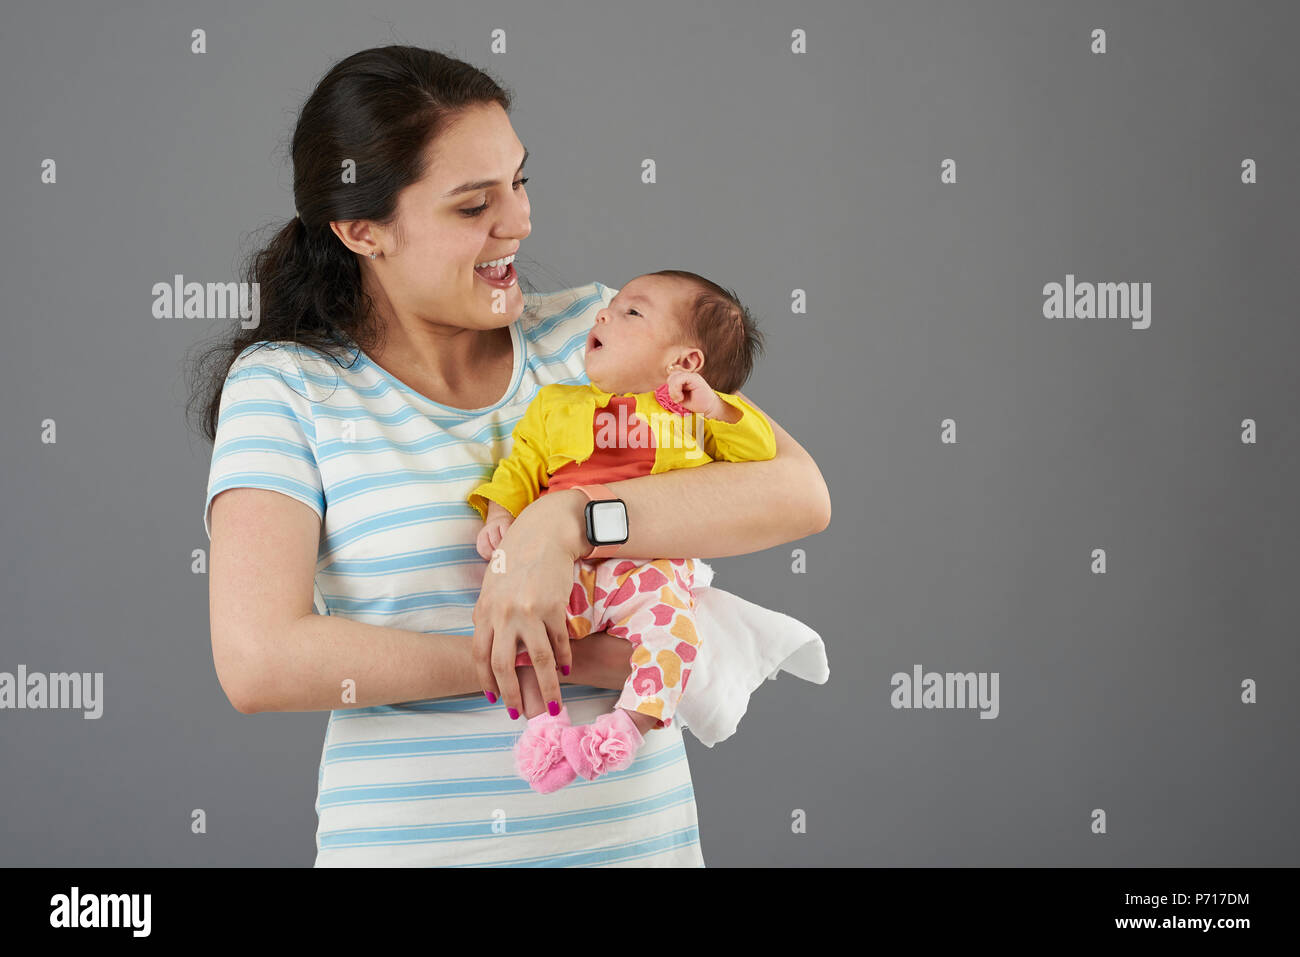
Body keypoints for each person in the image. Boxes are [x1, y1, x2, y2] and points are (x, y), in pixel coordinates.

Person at [193, 45, 831, 867]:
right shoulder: (289, 388)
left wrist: (565, 522)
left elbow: (797, 492)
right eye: (473, 205)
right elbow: (259, 659)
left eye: (521, 181)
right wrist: (532, 657)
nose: (521, 221)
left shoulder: (602, 337)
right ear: (362, 230)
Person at [468, 269, 777, 793]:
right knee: (523, 630)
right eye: (611, 307)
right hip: (563, 569)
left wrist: (719, 406)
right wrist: (499, 516)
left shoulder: (691, 415)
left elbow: (760, 458)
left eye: (632, 312)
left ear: (684, 363)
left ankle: (624, 730)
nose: (604, 313)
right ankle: (546, 732)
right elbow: (520, 468)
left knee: (675, 637)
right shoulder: (555, 405)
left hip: (649, 572)